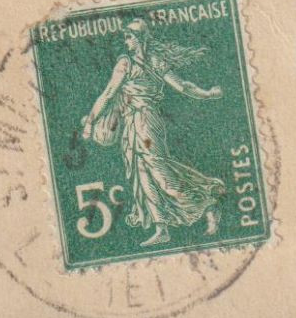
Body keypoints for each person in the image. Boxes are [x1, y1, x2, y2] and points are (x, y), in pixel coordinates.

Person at [81, 18, 226, 248]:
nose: (126, 41)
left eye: (129, 37)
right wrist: (92, 120)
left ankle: (207, 203)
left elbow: (181, 86)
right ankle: (162, 228)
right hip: (132, 123)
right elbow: (110, 93)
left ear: (139, 39)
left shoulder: (132, 64)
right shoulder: (135, 62)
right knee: (143, 173)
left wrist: (207, 94)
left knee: (158, 171)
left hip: (146, 122)